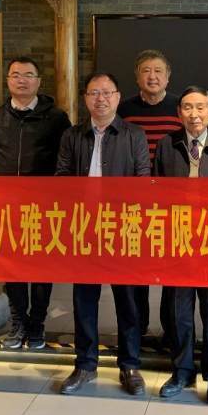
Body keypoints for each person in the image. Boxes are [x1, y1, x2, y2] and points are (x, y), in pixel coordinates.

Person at [56, 72, 150, 396]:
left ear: (118, 97)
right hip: (85, 228)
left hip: (123, 228)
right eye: (94, 93)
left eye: (107, 92)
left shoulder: (134, 135)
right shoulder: (72, 136)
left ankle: (130, 365)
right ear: (85, 98)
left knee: (128, 301)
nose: (101, 99)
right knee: (84, 300)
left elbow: (143, 179)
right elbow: (61, 178)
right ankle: (84, 364)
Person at [154, 86, 208, 405]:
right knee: (179, 311)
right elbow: (156, 193)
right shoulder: (166, 145)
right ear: (179, 113)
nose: (194, 114)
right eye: (188, 107)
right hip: (178, 241)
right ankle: (181, 371)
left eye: (201, 107)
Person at [0, 56, 71, 350]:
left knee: (42, 268)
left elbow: (64, 160)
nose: (22, 80)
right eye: (16, 75)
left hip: (44, 207)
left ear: (38, 82)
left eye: (28, 75)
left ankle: (37, 323)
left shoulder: (56, 118)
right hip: (7, 206)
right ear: (8, 80)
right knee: (12, 267)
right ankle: (18, 320)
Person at [117, 49, 182, 339]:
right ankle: (138, 326)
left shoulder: (180, 108)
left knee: (171, 268)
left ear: (168, 76)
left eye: (158, 71)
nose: (152, 76)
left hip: (172, 201)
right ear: (137, 76)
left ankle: (171, 328)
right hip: (134, 201)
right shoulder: (124, 110)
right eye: (146, 71)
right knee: (136, 267)